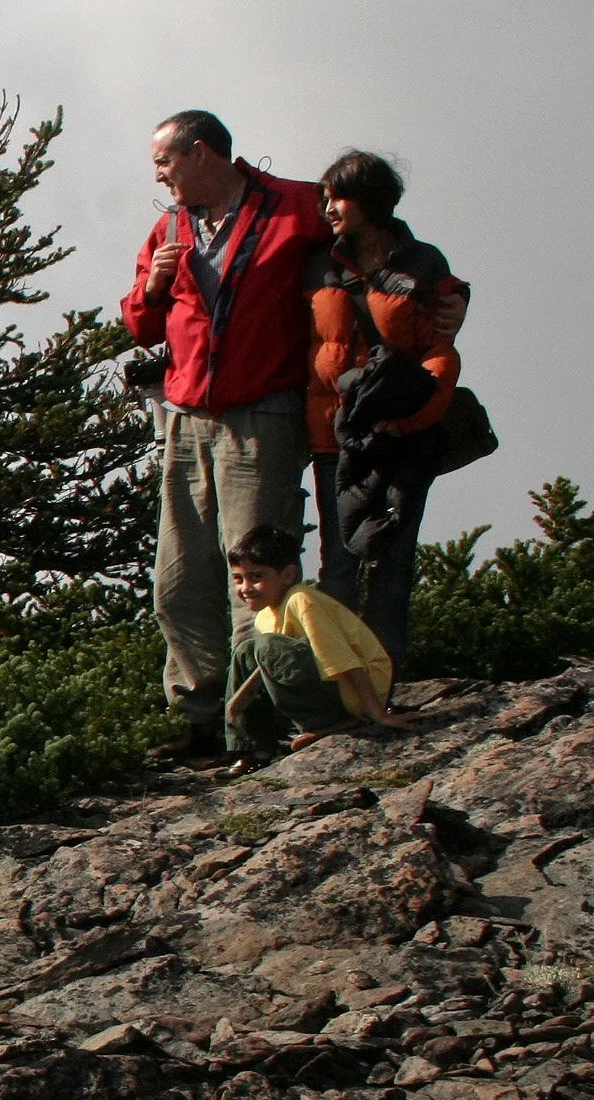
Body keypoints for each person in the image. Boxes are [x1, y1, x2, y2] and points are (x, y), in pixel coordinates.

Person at [122, 111, 331, 768]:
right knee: (177, 580)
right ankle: (197, 719)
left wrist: (441, 293)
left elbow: (368, 252)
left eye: (165, 161)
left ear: (202, 152)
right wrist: (152, 286)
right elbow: (141, 325)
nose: (158, 175)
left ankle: (255, 722)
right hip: (185, 417)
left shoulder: (295, 207)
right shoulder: (168, 228)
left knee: (254, 577)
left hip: (262, 415)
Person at [308, 150, 465, 664]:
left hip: (403, 434)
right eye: (325, 197)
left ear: (370, 200)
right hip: (337, 431)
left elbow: (438, 349)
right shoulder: (319, 261)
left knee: (391, 560)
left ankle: (385, 681)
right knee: (338, 563)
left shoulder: (423, 262)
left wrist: (416, 417)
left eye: (338, 197)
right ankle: (342, 688)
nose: (328, 207)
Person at [222, 524, 413, 770]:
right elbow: (265, 671)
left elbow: (344, 660)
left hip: (354, 694)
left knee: (265, 646)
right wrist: (235, 708)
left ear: (288, 575)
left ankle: (329, 722)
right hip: (333, 691)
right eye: (239, 578)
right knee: (246, 651)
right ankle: (252, 749)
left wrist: (377, 713)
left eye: (257, 577)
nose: (246, 588)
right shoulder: (264, 616)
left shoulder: (301, 601)